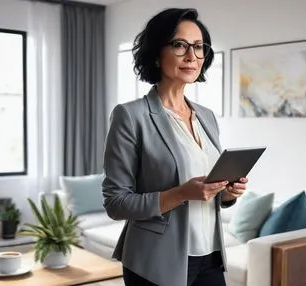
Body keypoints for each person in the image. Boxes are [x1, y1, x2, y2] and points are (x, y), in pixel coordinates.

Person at [102, 8, 248, 286]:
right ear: (156, 53)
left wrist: (228, 194)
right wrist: (181, 194)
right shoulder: (130, 116)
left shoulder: (206, 116)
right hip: (156, 260)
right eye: (180, 45)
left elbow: (208, 192)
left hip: (211, 256)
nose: (191, 56)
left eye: (198, 47)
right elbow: (116, 203)